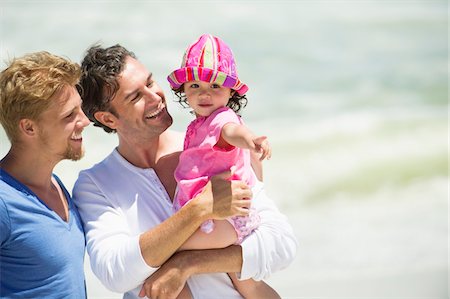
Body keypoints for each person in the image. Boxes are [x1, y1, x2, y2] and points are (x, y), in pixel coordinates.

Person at [73, 43, 298, 299]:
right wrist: (199, 209)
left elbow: (281, 245)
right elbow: (115, 272)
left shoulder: (213, 148)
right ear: (108, 119)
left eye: (150, 82)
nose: (155, 96)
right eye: (136, 97)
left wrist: (186, 264)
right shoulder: (96, 184)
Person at [168, 33, 279, 298]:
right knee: (247, 284)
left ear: (231, 91)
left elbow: (232, 132)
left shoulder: (222, 119)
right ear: (184, 89)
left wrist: (250, 140)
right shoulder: (199, 124)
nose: (204, 94)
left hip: (224, 219)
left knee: (169, 254)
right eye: (195, 85)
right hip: (223, 216)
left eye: (215, 87)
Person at [0, 51, 90, 298]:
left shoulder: (55, 184)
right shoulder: (3, 203)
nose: (85, 121)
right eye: (70, 115)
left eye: (80, 110)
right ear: (29, 127)